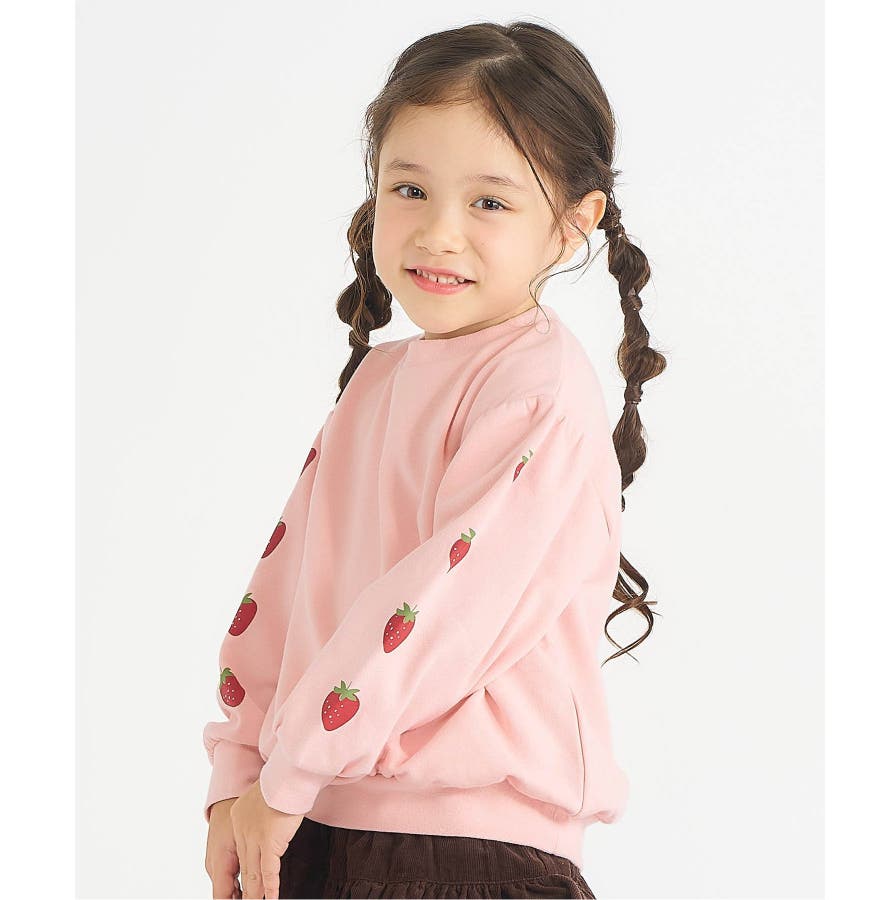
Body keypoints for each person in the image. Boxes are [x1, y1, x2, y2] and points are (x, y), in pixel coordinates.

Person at [202, 18, 665, 900]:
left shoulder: (537, 391)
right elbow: (283, 590)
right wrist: (239, 772)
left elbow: (439, 612)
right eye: (409, 189)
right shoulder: (378, 382)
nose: (439, 232)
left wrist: (286, 774)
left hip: (465, 854)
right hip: (309, 825)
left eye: (490, 202)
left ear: (573, 224)